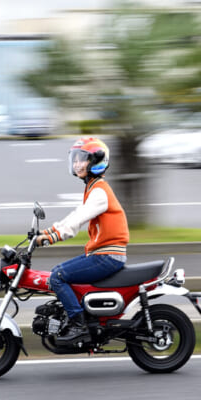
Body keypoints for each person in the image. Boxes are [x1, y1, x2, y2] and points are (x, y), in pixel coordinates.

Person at [37, 137, 129, 344]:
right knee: (57, 271)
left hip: (107, 256)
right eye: (75, 159)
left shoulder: (100, 191)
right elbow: (75, 215)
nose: (77, 164)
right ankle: (80, 317)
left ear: (96, 162)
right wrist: (49, 230)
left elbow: (76, 222)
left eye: (82, 159)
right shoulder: (93, 188)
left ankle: (78, 325)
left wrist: (50, 238)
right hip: (101, 254)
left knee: (58, 276)